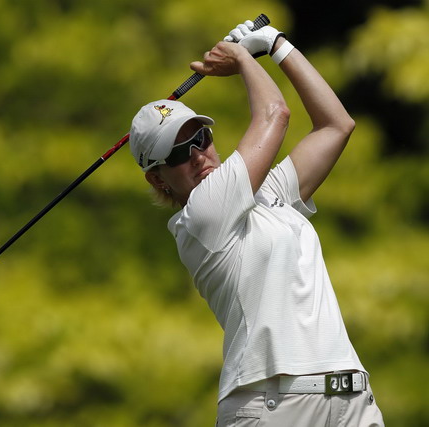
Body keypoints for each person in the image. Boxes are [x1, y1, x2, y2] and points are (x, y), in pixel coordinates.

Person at [129, 21, 384, 426]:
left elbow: (337, 125)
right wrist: (245, 57)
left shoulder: (268, 192)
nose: (197, 155)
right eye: (178, 153)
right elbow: (275, 114)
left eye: (201, 139)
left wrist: (276, 44)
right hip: (273, 406)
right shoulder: (201, 215)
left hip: (350, 397)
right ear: (159, 179)